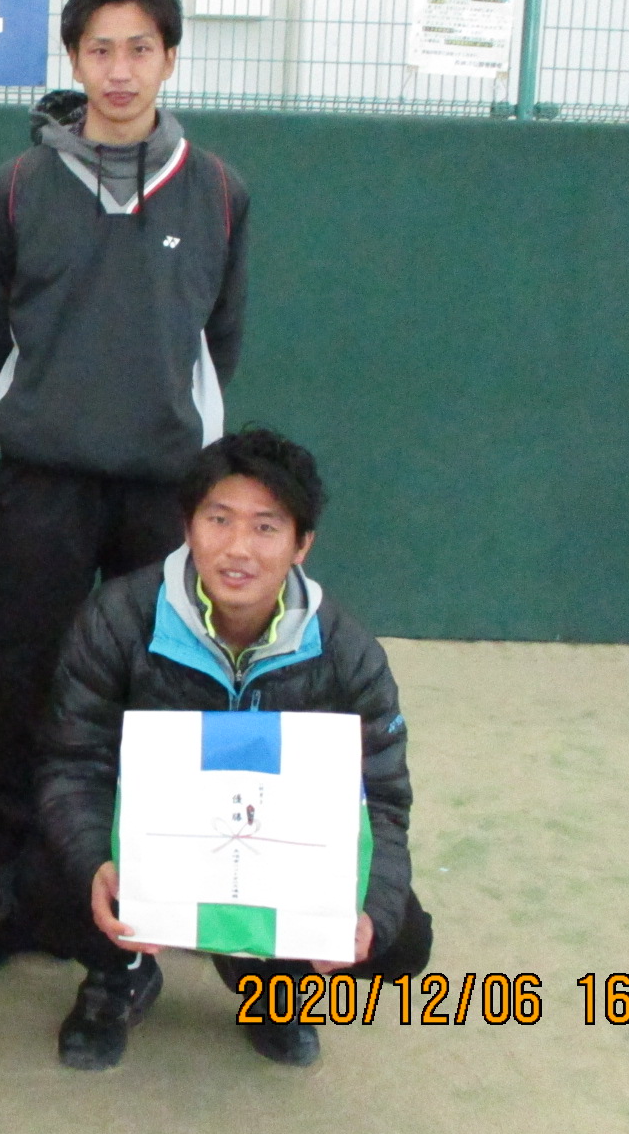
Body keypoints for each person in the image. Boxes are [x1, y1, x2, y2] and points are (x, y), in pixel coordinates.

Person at [32, 429, 433, 1069]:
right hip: (151, 855)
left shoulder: (349, 653)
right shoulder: (117, 619)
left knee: (402, 936)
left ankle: (272, 986)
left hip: (272, 864)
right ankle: (119, 972)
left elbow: (382, 798)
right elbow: (74, 763)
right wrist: (92, 863)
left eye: (266, 527)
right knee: (48, 870)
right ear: (188, 527)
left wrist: (372, 914)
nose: (238, 548)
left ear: (302, 544)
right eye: (219, 520)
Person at [0, 0, 250, 885]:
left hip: (165, 487)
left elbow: (218, 339)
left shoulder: (219, 191)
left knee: (158, 681)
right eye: (101, 50)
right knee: (24, 675)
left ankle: (147, 873)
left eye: (140, 49)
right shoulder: (16, 188)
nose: (120, 70)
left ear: (169, 58)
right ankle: (14, 874)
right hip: (42, 482)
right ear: (74, 59)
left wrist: (170, 427)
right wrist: (41, 416)